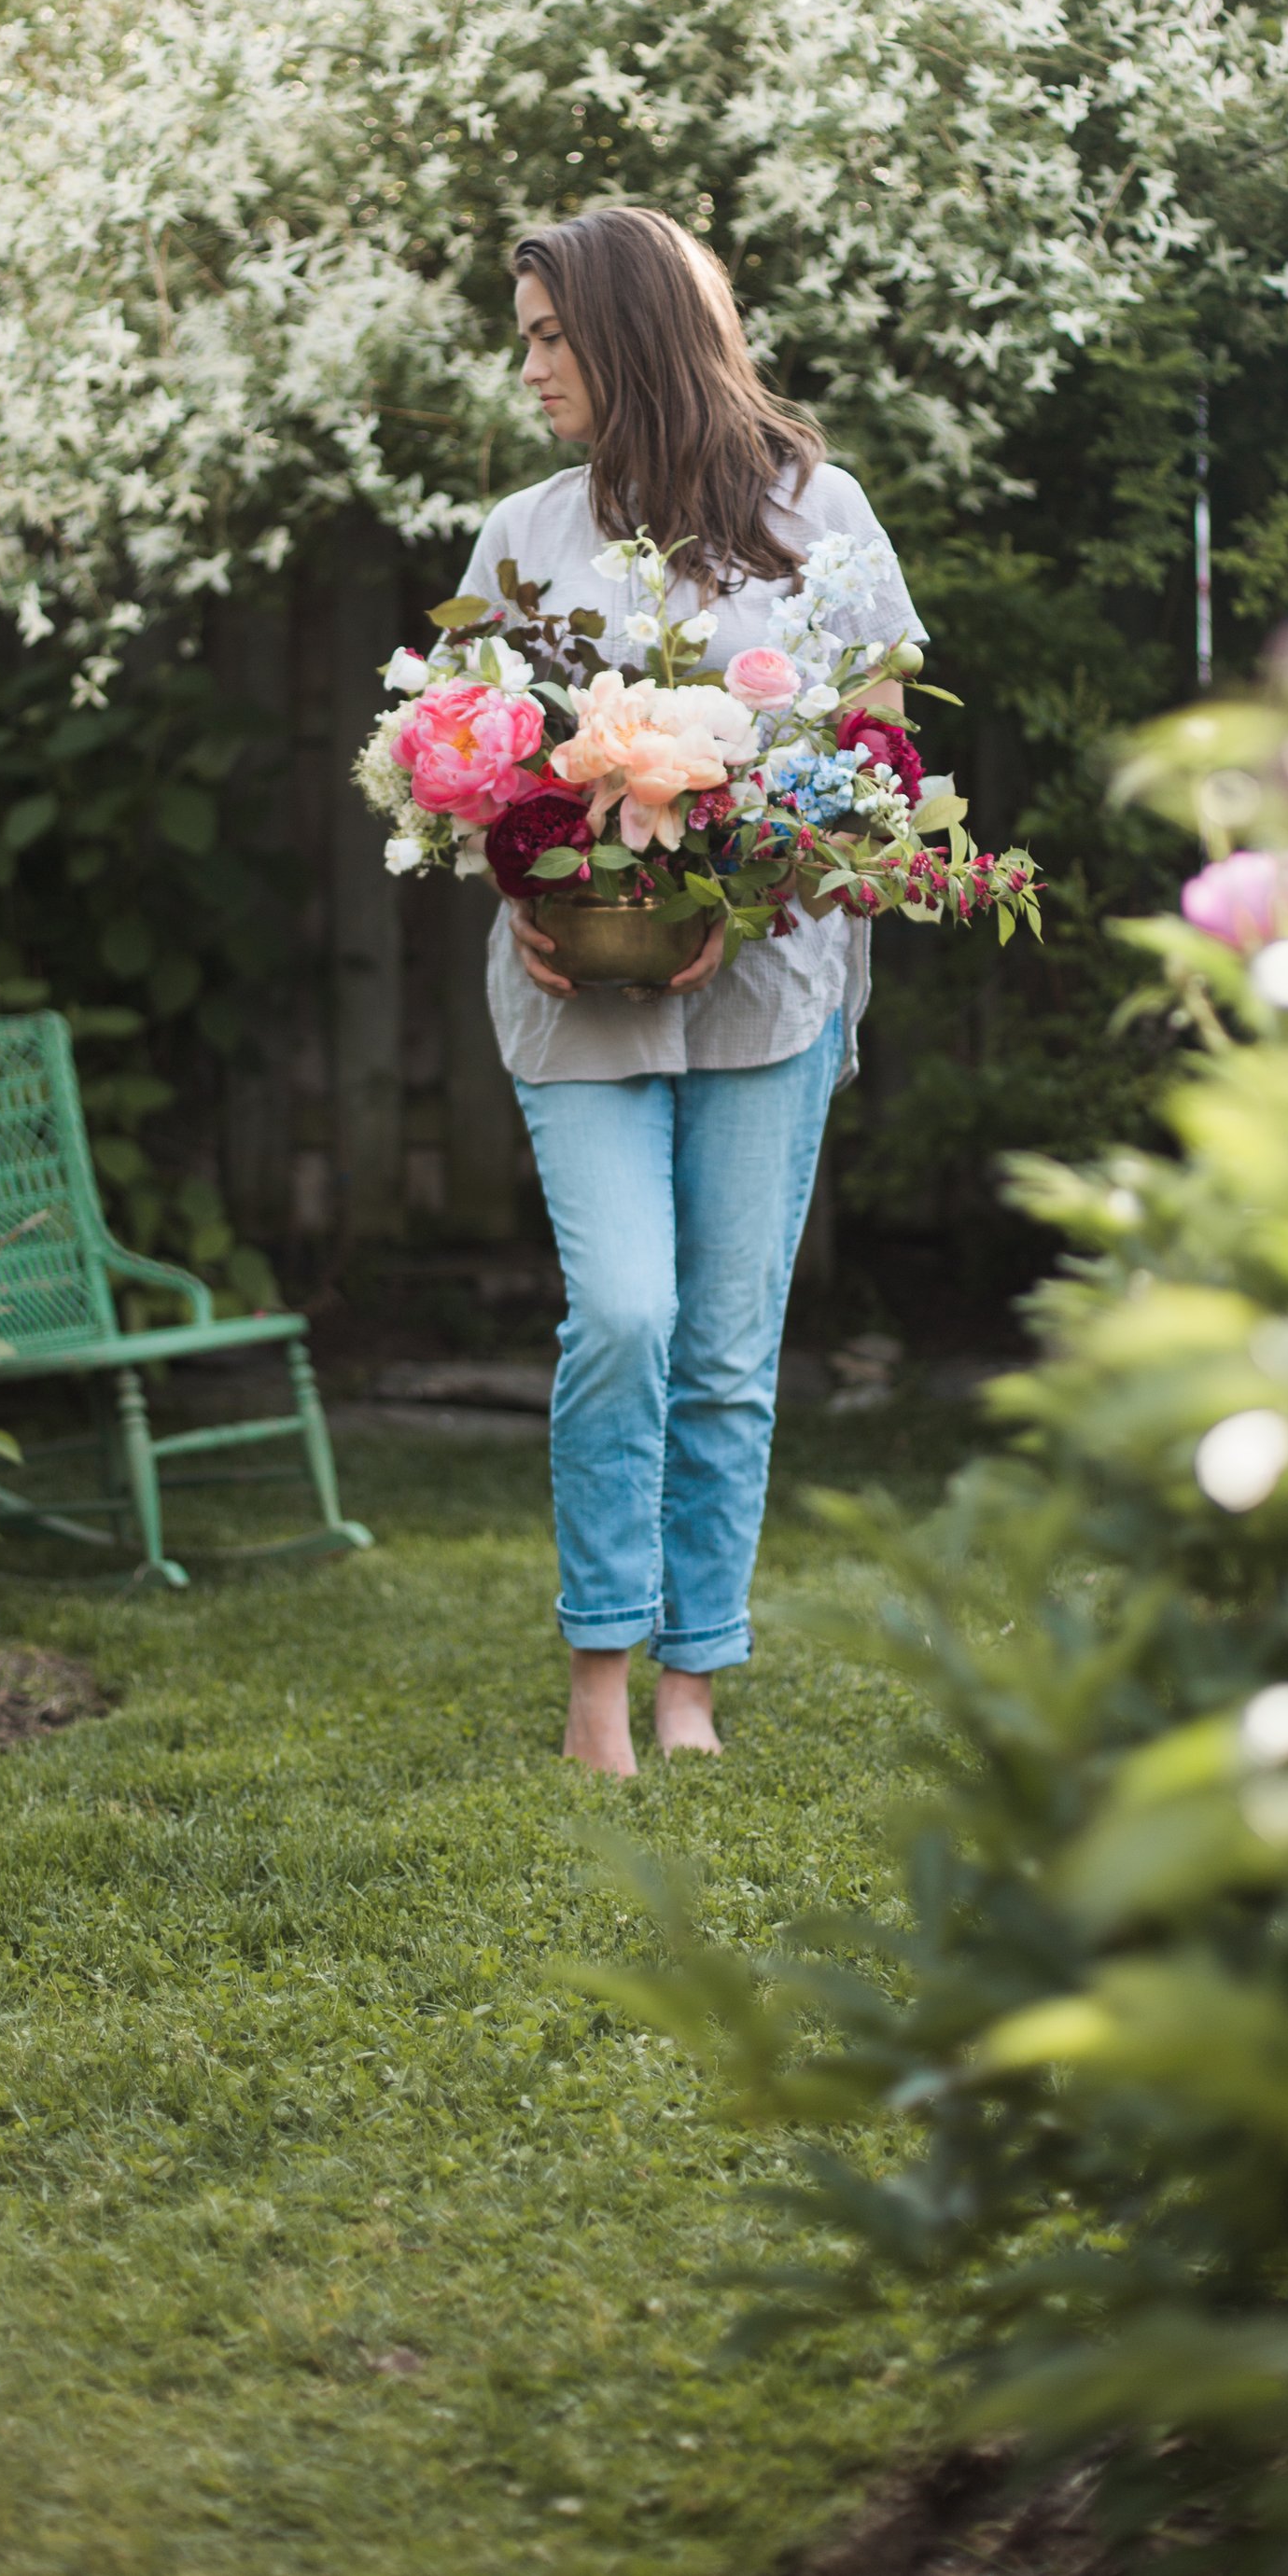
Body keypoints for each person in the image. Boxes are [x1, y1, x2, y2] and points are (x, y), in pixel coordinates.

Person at [456, 204, 923, 1778]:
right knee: (628, 1316)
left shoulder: (821, 510)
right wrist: (523, 886)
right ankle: (602, 1669)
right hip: (575, 991)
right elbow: (471, 768)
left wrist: (757, 886)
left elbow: (879, 752)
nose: (528, 369)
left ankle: (691, 1686)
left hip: (768, 988)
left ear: (631, 332)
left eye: (546, 336)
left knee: (726, 1346)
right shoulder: (522, 536)